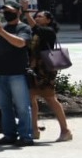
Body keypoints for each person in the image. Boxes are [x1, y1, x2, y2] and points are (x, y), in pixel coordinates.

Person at [0, 3, 34, 147]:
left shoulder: (23, 28)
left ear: (18, 12)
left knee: (22, 106)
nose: (6, 13)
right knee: (4, 106)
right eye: (5, 11)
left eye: (10, 11)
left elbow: (20, 43)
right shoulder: (2, 28)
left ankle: (26, 136)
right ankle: (9, 134)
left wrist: (1, 32)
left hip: (17, 73)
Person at [28, 10, 73, 142]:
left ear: (48, 20)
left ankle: (65, 130)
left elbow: (35, 28)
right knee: (31, 97)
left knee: (50, 98)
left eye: (40, 17)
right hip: (33, 68)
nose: (37, 18)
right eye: (36, 16)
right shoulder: (34, 32)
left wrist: (26, 12)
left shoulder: (48, 31)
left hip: (45, 70)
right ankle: (34, 130)